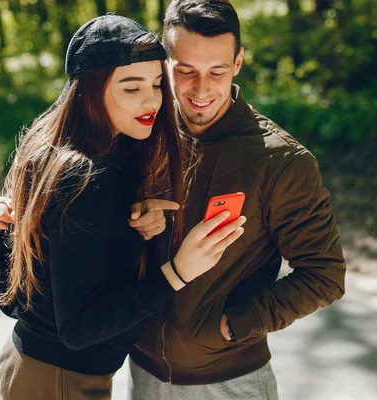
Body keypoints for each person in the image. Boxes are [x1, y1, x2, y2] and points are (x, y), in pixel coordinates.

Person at [0, 13, 246, 400]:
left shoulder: (62, 153)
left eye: (156, 84)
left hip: (33, 367)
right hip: (60, 382)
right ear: (90, 91)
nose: (152, 100)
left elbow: (17, 301)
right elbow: (78, 330)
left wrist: (129, 231)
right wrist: (178, 271)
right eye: (131, 88)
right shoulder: (84, 178)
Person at [124, 1, 346, 399]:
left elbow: (324, 274)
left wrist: (236, 325)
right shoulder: (141, 133)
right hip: (142, 372)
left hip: (230, 382)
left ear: (239, 62)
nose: (202, 89)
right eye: (186, 71)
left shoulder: (280, 161)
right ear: (164, 63)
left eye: (217, 71)